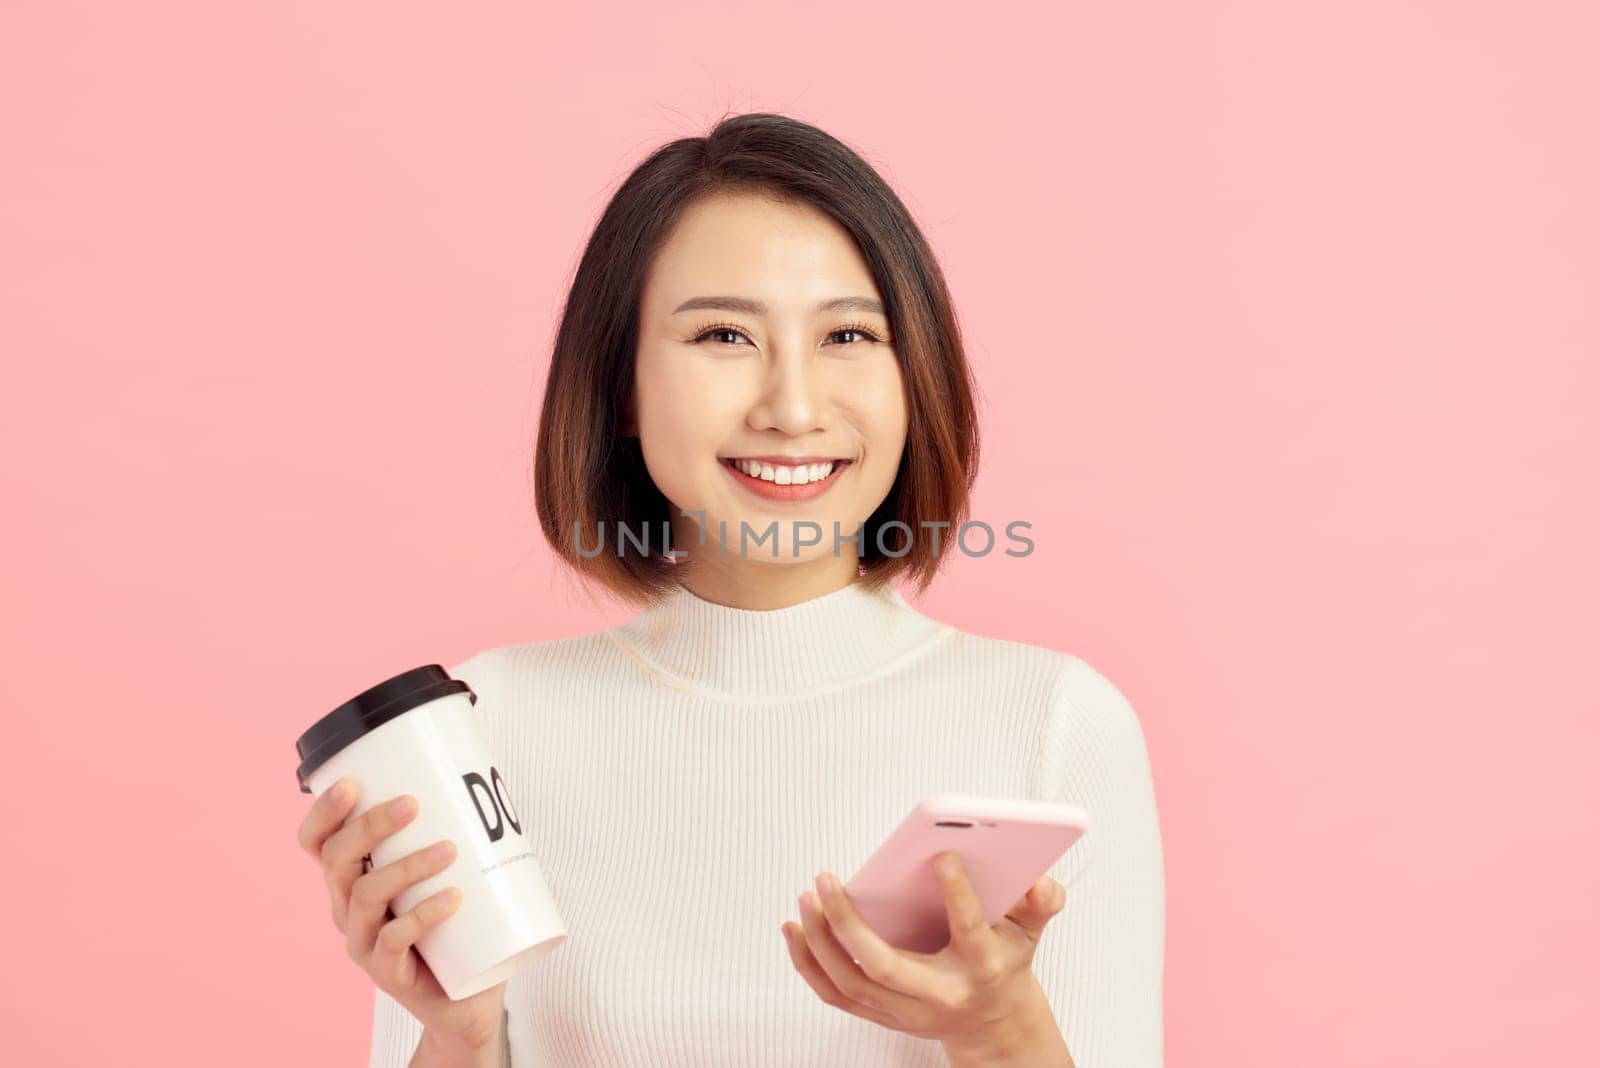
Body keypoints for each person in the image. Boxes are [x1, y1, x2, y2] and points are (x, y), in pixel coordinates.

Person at [297, 111, 1164, 1068]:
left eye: (847, 334)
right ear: (620, 384)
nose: (792, 408)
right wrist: (452, 1039)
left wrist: (999, 1033)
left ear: (914, 373)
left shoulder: (1051, 723)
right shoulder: (479, 727)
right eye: (723, 334)